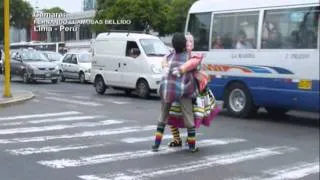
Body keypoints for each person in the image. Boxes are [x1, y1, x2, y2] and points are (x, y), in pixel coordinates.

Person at [152, 32, 199, 153]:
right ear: (185, 45)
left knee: (163, 115)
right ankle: (192, 146)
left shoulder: (168, 57)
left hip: (167, 89)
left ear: (173, 45)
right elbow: (196, 68)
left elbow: (164, 65)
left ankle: (156, 144)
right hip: (183, 91)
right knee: (188, 116)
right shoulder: (188, 58)